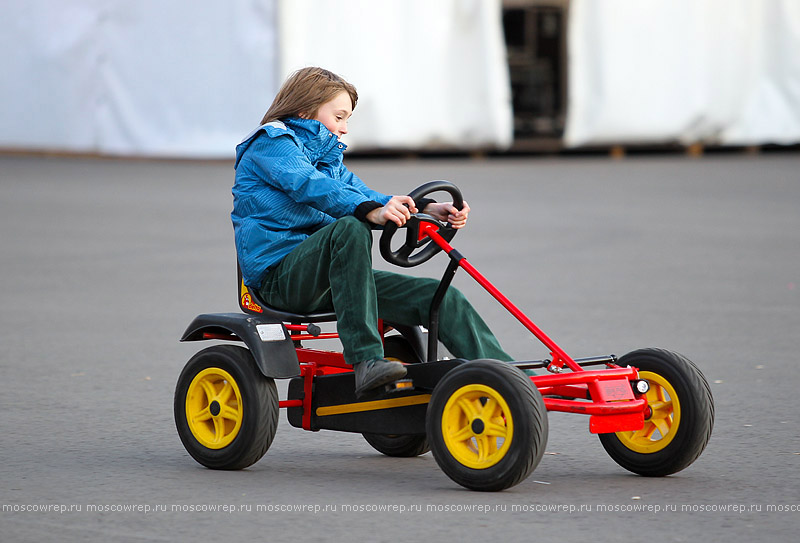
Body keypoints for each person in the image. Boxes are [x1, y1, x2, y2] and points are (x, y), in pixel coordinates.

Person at [232, 67, 512, 396]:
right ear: (305, 109)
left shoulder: (326, 158)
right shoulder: (271, 144)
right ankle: (366, 360)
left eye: (347, 118)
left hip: (329, 276)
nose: (344, 128)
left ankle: (508, 379)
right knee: (350, 227)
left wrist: (421, 210)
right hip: (279, 277)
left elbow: (364, 195)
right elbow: (312, 187)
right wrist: (369, 211)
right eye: (339, 116)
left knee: (439, 296)